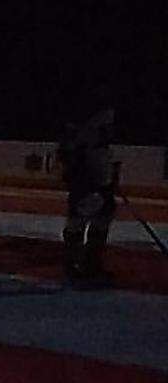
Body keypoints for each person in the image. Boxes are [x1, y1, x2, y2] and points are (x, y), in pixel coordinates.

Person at [58, 103, 118, 280]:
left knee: (102, 219)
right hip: (85, 184)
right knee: (78, 221)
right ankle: (74, 265)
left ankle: (89, 263)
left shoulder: (99, 144)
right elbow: (69, 161)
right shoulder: (80, 137)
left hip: (99, 183)